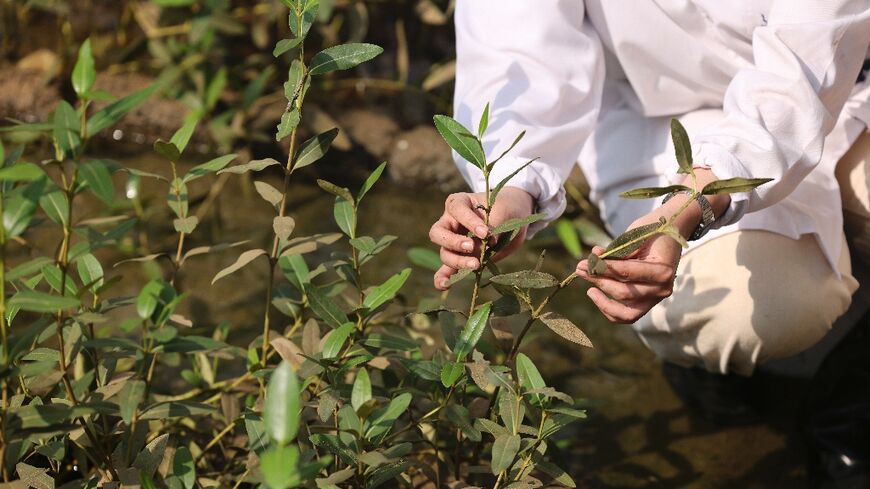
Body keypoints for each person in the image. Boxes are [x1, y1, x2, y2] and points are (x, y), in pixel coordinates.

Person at [427, 1, 870, 485]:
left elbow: (803, 71)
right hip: (664, 115)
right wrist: (511, 186)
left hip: (841, 80)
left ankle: (852, 404)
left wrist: (687, 208)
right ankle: (717, 372)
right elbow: (516, 51)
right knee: (748, 312)